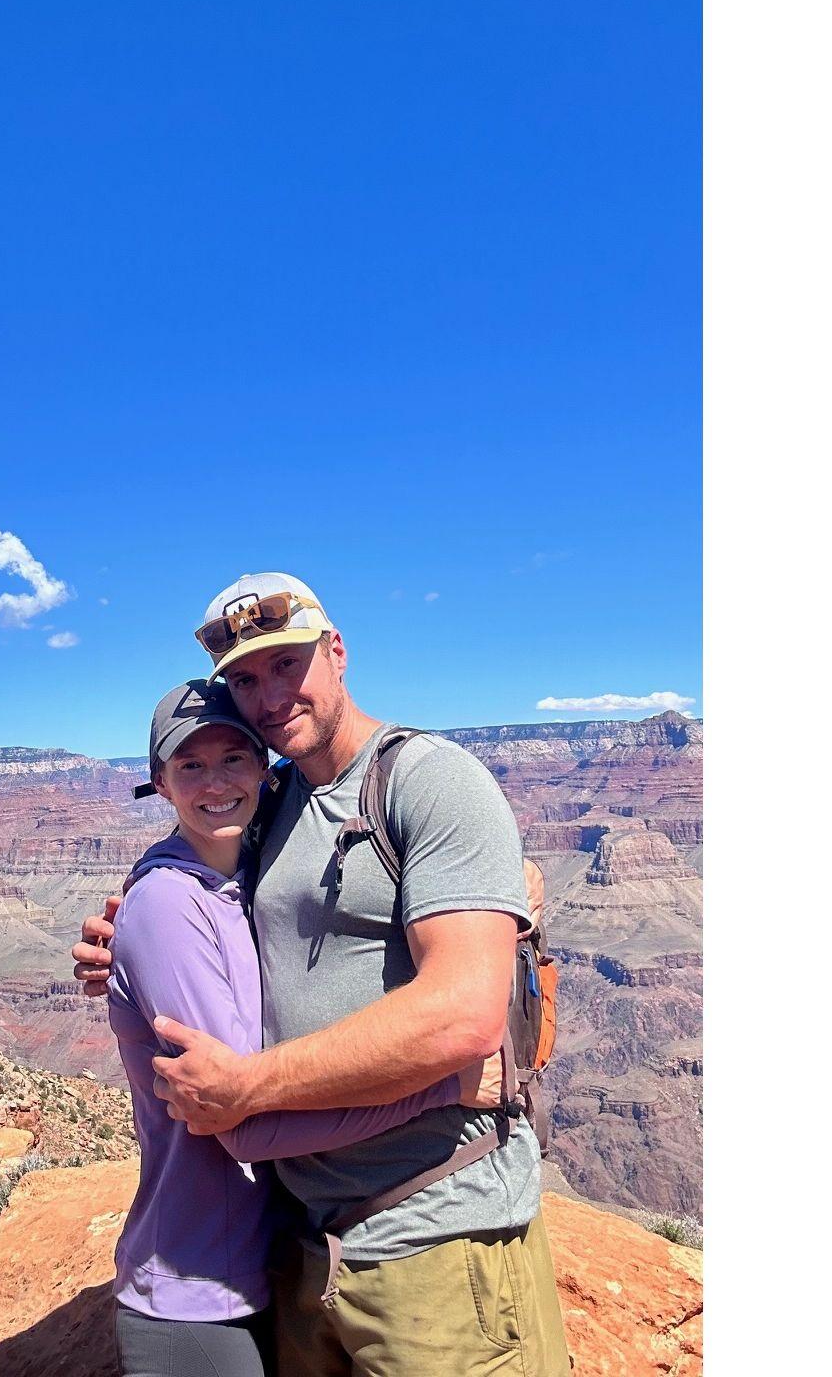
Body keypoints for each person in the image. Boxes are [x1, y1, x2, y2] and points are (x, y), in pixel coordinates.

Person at [76, 574, 571, 1377]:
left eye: (287, 664)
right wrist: (124, 932)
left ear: (336, 652)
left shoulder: (427, 778)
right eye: (245, 679)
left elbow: (464, 1015)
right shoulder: (275, 803)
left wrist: (248, 1087)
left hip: (437, 1238)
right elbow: (198, 876)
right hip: (305, 1254)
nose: (270, 696)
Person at [107, 677, 497, 1377]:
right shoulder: (170, 904)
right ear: (160, 784)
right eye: (190, 765)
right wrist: (445, 1089)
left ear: (265, 767)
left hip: (269, 1266)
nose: (215, 782)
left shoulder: (244, 883)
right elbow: (242, 1125)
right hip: (196, 1289)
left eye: (234, 758)